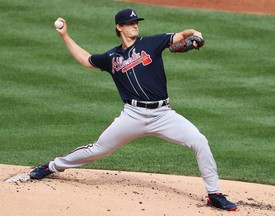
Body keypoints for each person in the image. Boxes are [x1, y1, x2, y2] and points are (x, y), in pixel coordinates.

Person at [30, 9, 237, 211]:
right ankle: (52, 166)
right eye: (130, 23)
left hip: (163, 114)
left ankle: (214, 194)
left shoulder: (151, 42)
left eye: (136, 22)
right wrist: (65, 35)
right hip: (132, 116)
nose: (135, 25)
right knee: (98, 149)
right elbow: (86, 59)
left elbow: (186, 34)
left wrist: (197, 37)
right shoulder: (112, 57)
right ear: (119, 27)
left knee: (199, 141)